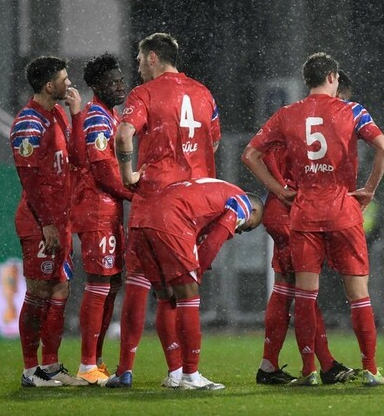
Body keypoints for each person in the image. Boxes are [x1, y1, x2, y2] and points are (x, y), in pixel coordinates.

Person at [242, 53, 384, 387]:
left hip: (303, 211)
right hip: (342, 209)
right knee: (358, 295)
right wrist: (369, 189)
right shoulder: (352, 110)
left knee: (304, 295)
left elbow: (249, 154)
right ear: (333, 77)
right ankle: (370, 370)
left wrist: (278, 190)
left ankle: (309, 370)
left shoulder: (287, 114)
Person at [106, 33, 221, 389]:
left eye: (140, 59)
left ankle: (136, 369)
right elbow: (214, 139)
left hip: (150, 203)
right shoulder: (203, 93)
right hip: (190, 205)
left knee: (147, 287)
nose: (138, 66)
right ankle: (188, 374)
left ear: (153, 57)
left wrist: (128, 174)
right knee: (184, 292)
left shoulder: (144, 94)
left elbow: (123, 135)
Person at [255, 68, 358, 386]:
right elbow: (262, 154)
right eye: (343, 101)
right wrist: (284, 188)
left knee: (287, 289)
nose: (343, 109)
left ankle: (269, 366)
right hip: (291, 211)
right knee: (304, 292)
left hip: (285, 209)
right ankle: (324, 365)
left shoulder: (297, 118)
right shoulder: (310, 119)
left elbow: (265, 152)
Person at [128, 177, 264, 390]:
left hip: (143, 219)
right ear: (253, 212)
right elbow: (214, 241)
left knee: (166, 297)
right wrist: (196, 274)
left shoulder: (216, 188)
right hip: (171, 220)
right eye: (248, 228)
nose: (240, 232)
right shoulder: (243, 203)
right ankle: (191, 376)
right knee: (188, 296)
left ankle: (175, 373)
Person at [9, 55, 86, 387]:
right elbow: (28, 180)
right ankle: (30, 370)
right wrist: (46, 223)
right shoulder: (28, 122)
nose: (69, 83)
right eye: (64, 78)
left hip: (60, 220)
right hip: (39, 223)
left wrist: (77, 114)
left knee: (60, 288)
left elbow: (77, 158)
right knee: (39, 291)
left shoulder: (56, 114)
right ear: (49, 85)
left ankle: (51, 367)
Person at [68, 53, 134, 385]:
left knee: (112, 285)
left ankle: (95, 360)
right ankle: (86, 365)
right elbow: (104, 171)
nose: (120, 86)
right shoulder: (96, 117)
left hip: (109, 211)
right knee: (98, 285)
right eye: (113, 81)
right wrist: (135, 192)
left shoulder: (111, 115)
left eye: (121, 80)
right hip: (96, 211)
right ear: (97, 85)